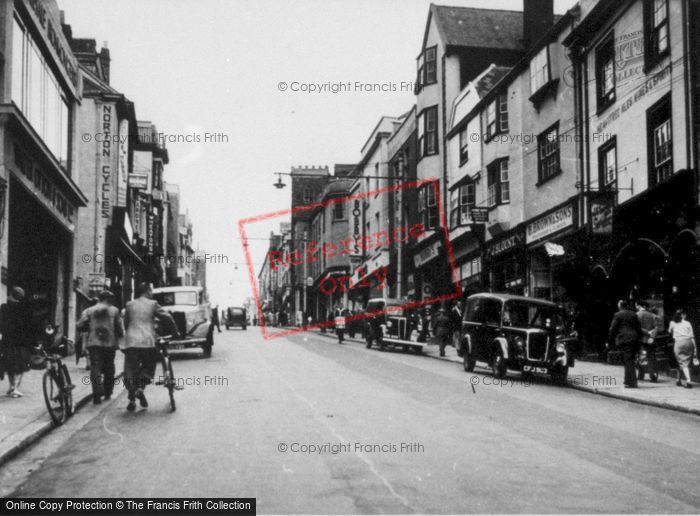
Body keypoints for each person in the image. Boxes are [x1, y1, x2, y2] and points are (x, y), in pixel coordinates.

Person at [123, 282, 178, 412]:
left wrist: (130, 333)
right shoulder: (153, 304)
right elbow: (167, 317)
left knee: (131, 369)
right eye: (151, 290)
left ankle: (132, 398)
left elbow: (126, 323)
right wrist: (175, 331)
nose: (152, 292)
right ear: (148, 291)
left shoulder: (129, 305)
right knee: (149, 365)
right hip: (147, 341)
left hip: (131, 341)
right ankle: (141, 388)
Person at [76, 290, 124, 404]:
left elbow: (80, 325)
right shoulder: (114, 310)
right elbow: (119, 328)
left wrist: (89, 328)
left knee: (95, 367)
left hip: (94, 343)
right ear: (109, 299)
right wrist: (119, 334)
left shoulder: (89, 310)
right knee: (109, 368)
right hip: (109, 343)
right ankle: (108, 391)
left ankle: (97, 394)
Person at [0, 287, 33, 398]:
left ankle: (11, 386)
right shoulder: (24, 309)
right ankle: (15, 388)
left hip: (8, 341)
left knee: (10, 365)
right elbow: (28, 326)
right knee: (20, 365)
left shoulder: (4, 307)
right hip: (21, 342)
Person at [608, 300, 643, 388]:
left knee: (628, 360)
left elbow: (612, 329)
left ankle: (630, 382)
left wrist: (611, 339)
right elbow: (638, 327)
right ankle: (629, 380)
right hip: (634, 339)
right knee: (630, 359)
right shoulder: (633, 314)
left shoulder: (618, 315)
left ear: (620, 306)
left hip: (625, 339)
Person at [669, 310, 697, 389]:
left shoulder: (672, 323)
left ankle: (688, 381)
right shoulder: (688, 323)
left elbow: (670, 332)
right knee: (683, 362)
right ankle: (678, 379)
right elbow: (692, 336)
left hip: (679, 343)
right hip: (689, 342)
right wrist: (695, 349)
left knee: (682, 362)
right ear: (683, 315)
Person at [635, 300, 658, 382]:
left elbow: (637, 328)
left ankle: (641, 375)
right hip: (650, 340)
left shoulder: (637, 315)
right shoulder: (652, 315)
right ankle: (653, 375)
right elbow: (656, 328)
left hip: (641, 339)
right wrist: (652, 336)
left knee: (641, 356)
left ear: (639, 306)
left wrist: (646, 332)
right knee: (652, 357)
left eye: (636, 305)